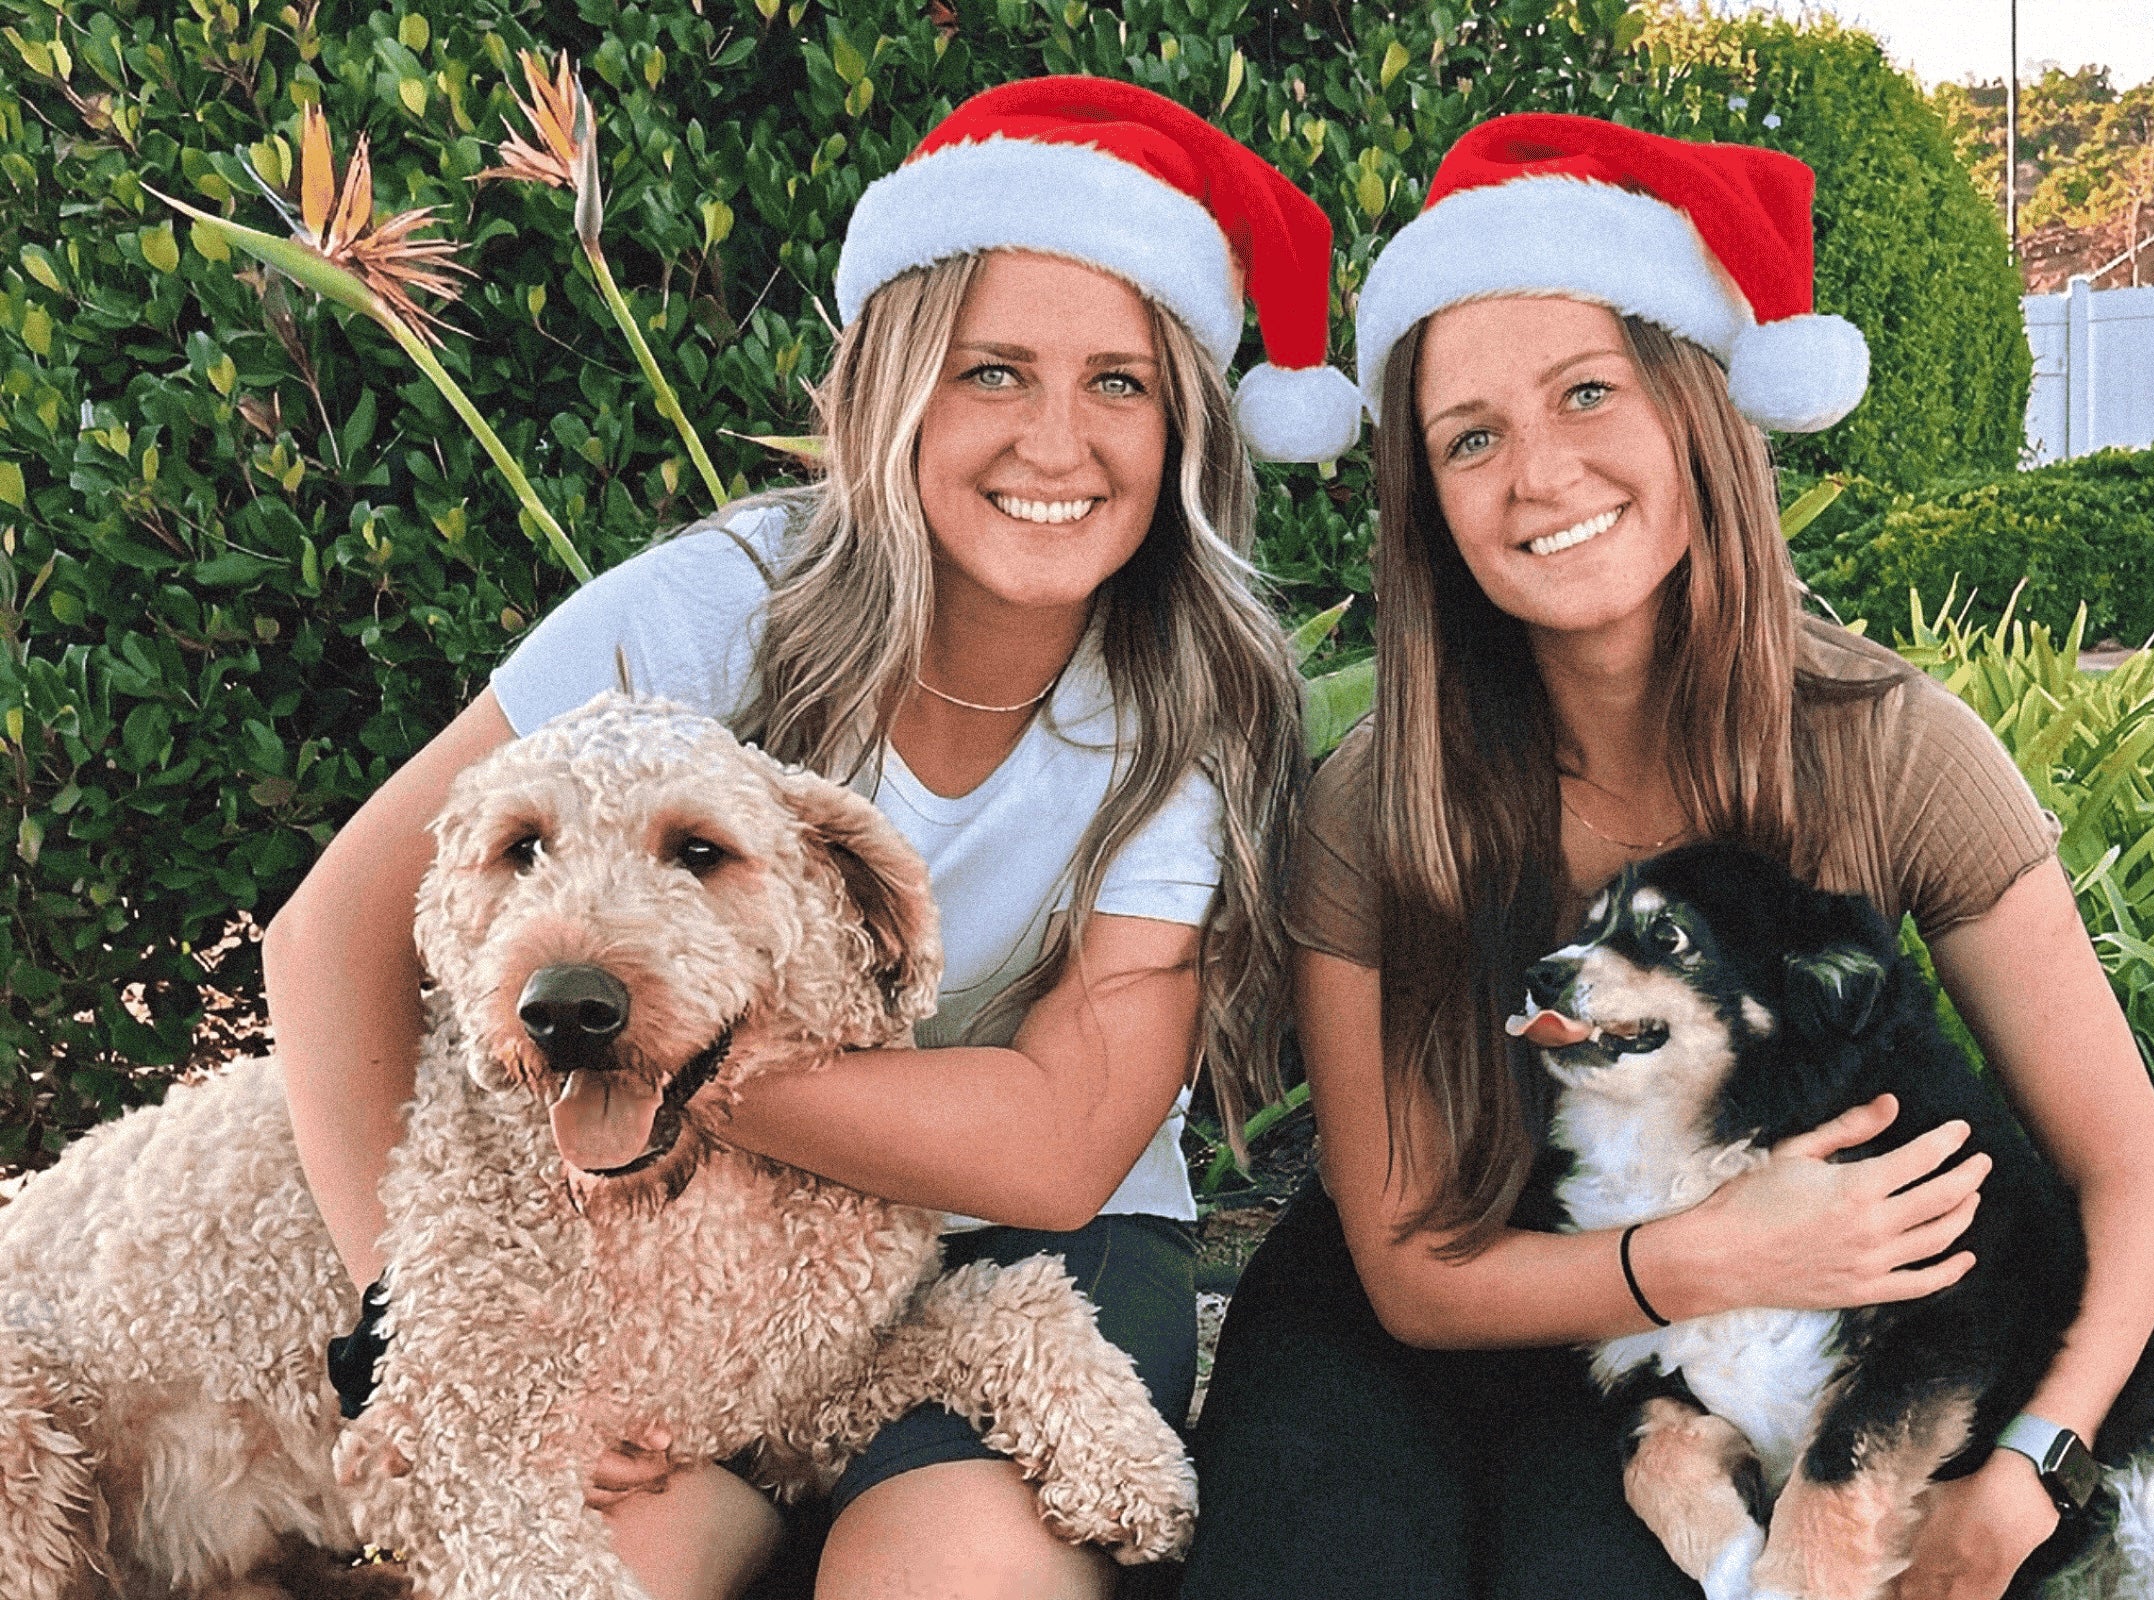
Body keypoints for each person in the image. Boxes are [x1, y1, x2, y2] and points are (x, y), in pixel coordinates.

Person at [265, 75, 1361, 1600]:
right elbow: (331, 931)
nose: (1058, 440)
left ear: (1182, 418)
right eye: (993, 371)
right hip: (669, 1248)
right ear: (901, 382)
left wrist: (672, 1051)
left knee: (941, 1572)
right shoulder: (715, 604)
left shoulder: (1184, 706)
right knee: (604, 1558)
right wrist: (435, 1324)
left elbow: (1055, 1145)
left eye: (1120, 380)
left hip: (1013, 1263)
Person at [1184, 114, 2154, 1600]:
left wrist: (2033, 1458)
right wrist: (1715, 1255)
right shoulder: (1378, 801)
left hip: (1688, 1366)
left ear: (1693, 412)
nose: (1538, 474)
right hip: (1414, 1318)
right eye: (1470, 436)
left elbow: (2129, 1177)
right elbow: (1408, 1270)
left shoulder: (1887, 747)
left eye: (1587, 392)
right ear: (1427, 502)